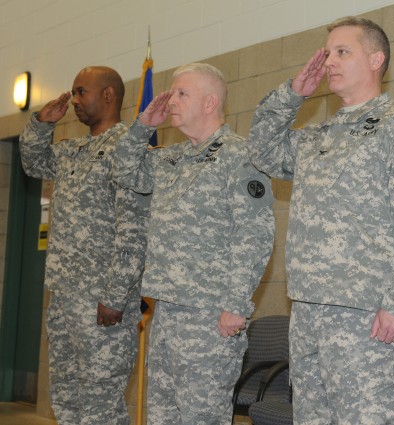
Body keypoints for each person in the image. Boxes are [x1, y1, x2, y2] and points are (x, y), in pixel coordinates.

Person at [248, 17, 394, 424]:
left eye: (343, 52)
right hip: (308, 311)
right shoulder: (318, 135)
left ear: (376, 59)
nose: (329, 62)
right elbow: (263, 152)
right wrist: (291, 96)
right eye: (327, 54)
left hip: (366, 314)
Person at [112, 62, 275, 424]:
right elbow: (121, 170)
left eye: (181, 93)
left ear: (209, 102)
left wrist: (236, 304)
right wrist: (143, 128)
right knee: (162, 416)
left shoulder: (239, 156)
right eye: (170, 92)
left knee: (202, 416)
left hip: (210, 315)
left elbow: (255, 233)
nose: (170, 100)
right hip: (167, 310)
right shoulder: (171, 158)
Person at [19, 66, 149, 425]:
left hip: (101, 300)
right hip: (62, 295)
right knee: (66, 398)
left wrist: (116, 294)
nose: (73, 100)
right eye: (73, 93)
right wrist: (42, 124)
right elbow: (33, 164)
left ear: (108, 95)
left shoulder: (128, 148)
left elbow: (134, 229)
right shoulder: (72, 150)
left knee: (100, 405)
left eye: (81, 92)